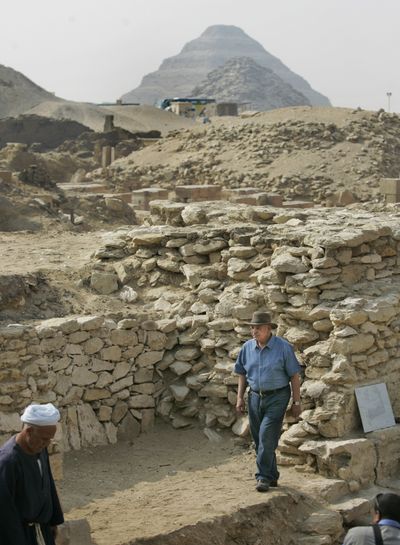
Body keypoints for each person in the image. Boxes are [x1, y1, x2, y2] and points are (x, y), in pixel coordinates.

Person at [235, 310, 302, 492]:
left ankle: (263, 477)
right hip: (255, 397)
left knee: (266, 436)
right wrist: (240, 397)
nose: (254, 331)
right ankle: (272, 476)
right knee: (259, 440)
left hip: (278, 397)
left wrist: (296, 402)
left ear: (268, 329)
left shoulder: (283, 348)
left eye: (258, 328)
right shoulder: (247, 347)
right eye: (252, 328)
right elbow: (241, 372)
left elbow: (294, 376)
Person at [0, 403, 64, 545]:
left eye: (50, 439)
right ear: (28, 431)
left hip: (42, 530)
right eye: (44, 438)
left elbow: (48, 485)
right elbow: (4, 513)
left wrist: (54, 520)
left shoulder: (39, 449)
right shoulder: (7, 462)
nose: (47, 443)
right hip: (19, 536)